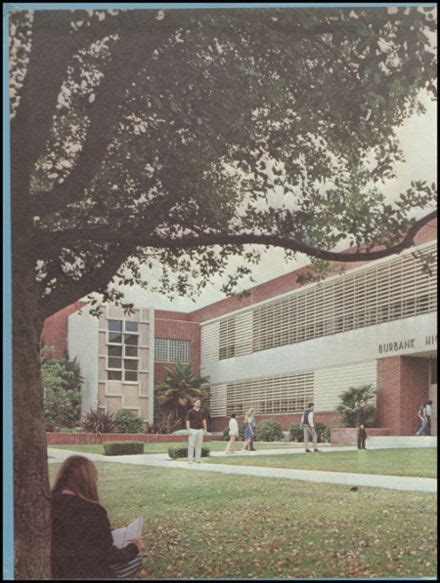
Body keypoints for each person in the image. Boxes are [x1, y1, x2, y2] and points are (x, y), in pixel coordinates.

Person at [51, 455, 143, 580]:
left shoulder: (47, 505)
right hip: (88, 573)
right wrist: (133, 548)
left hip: (57, 571)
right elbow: (107, 556)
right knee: (136, 559)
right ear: (88, 480)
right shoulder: (93, 510)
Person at [186, 397, 208, 463]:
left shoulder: (202, 411)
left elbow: (204, 420)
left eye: (199, 402)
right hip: (192, 430)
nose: (199, 404)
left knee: (199, 445)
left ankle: (198, 459)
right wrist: (188, 430)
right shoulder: (190, 411)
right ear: (194, 403)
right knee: (191, 445)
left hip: (200, 430)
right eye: (197, 402)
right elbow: (187, 421)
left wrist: (205, 429)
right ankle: (190, 460)